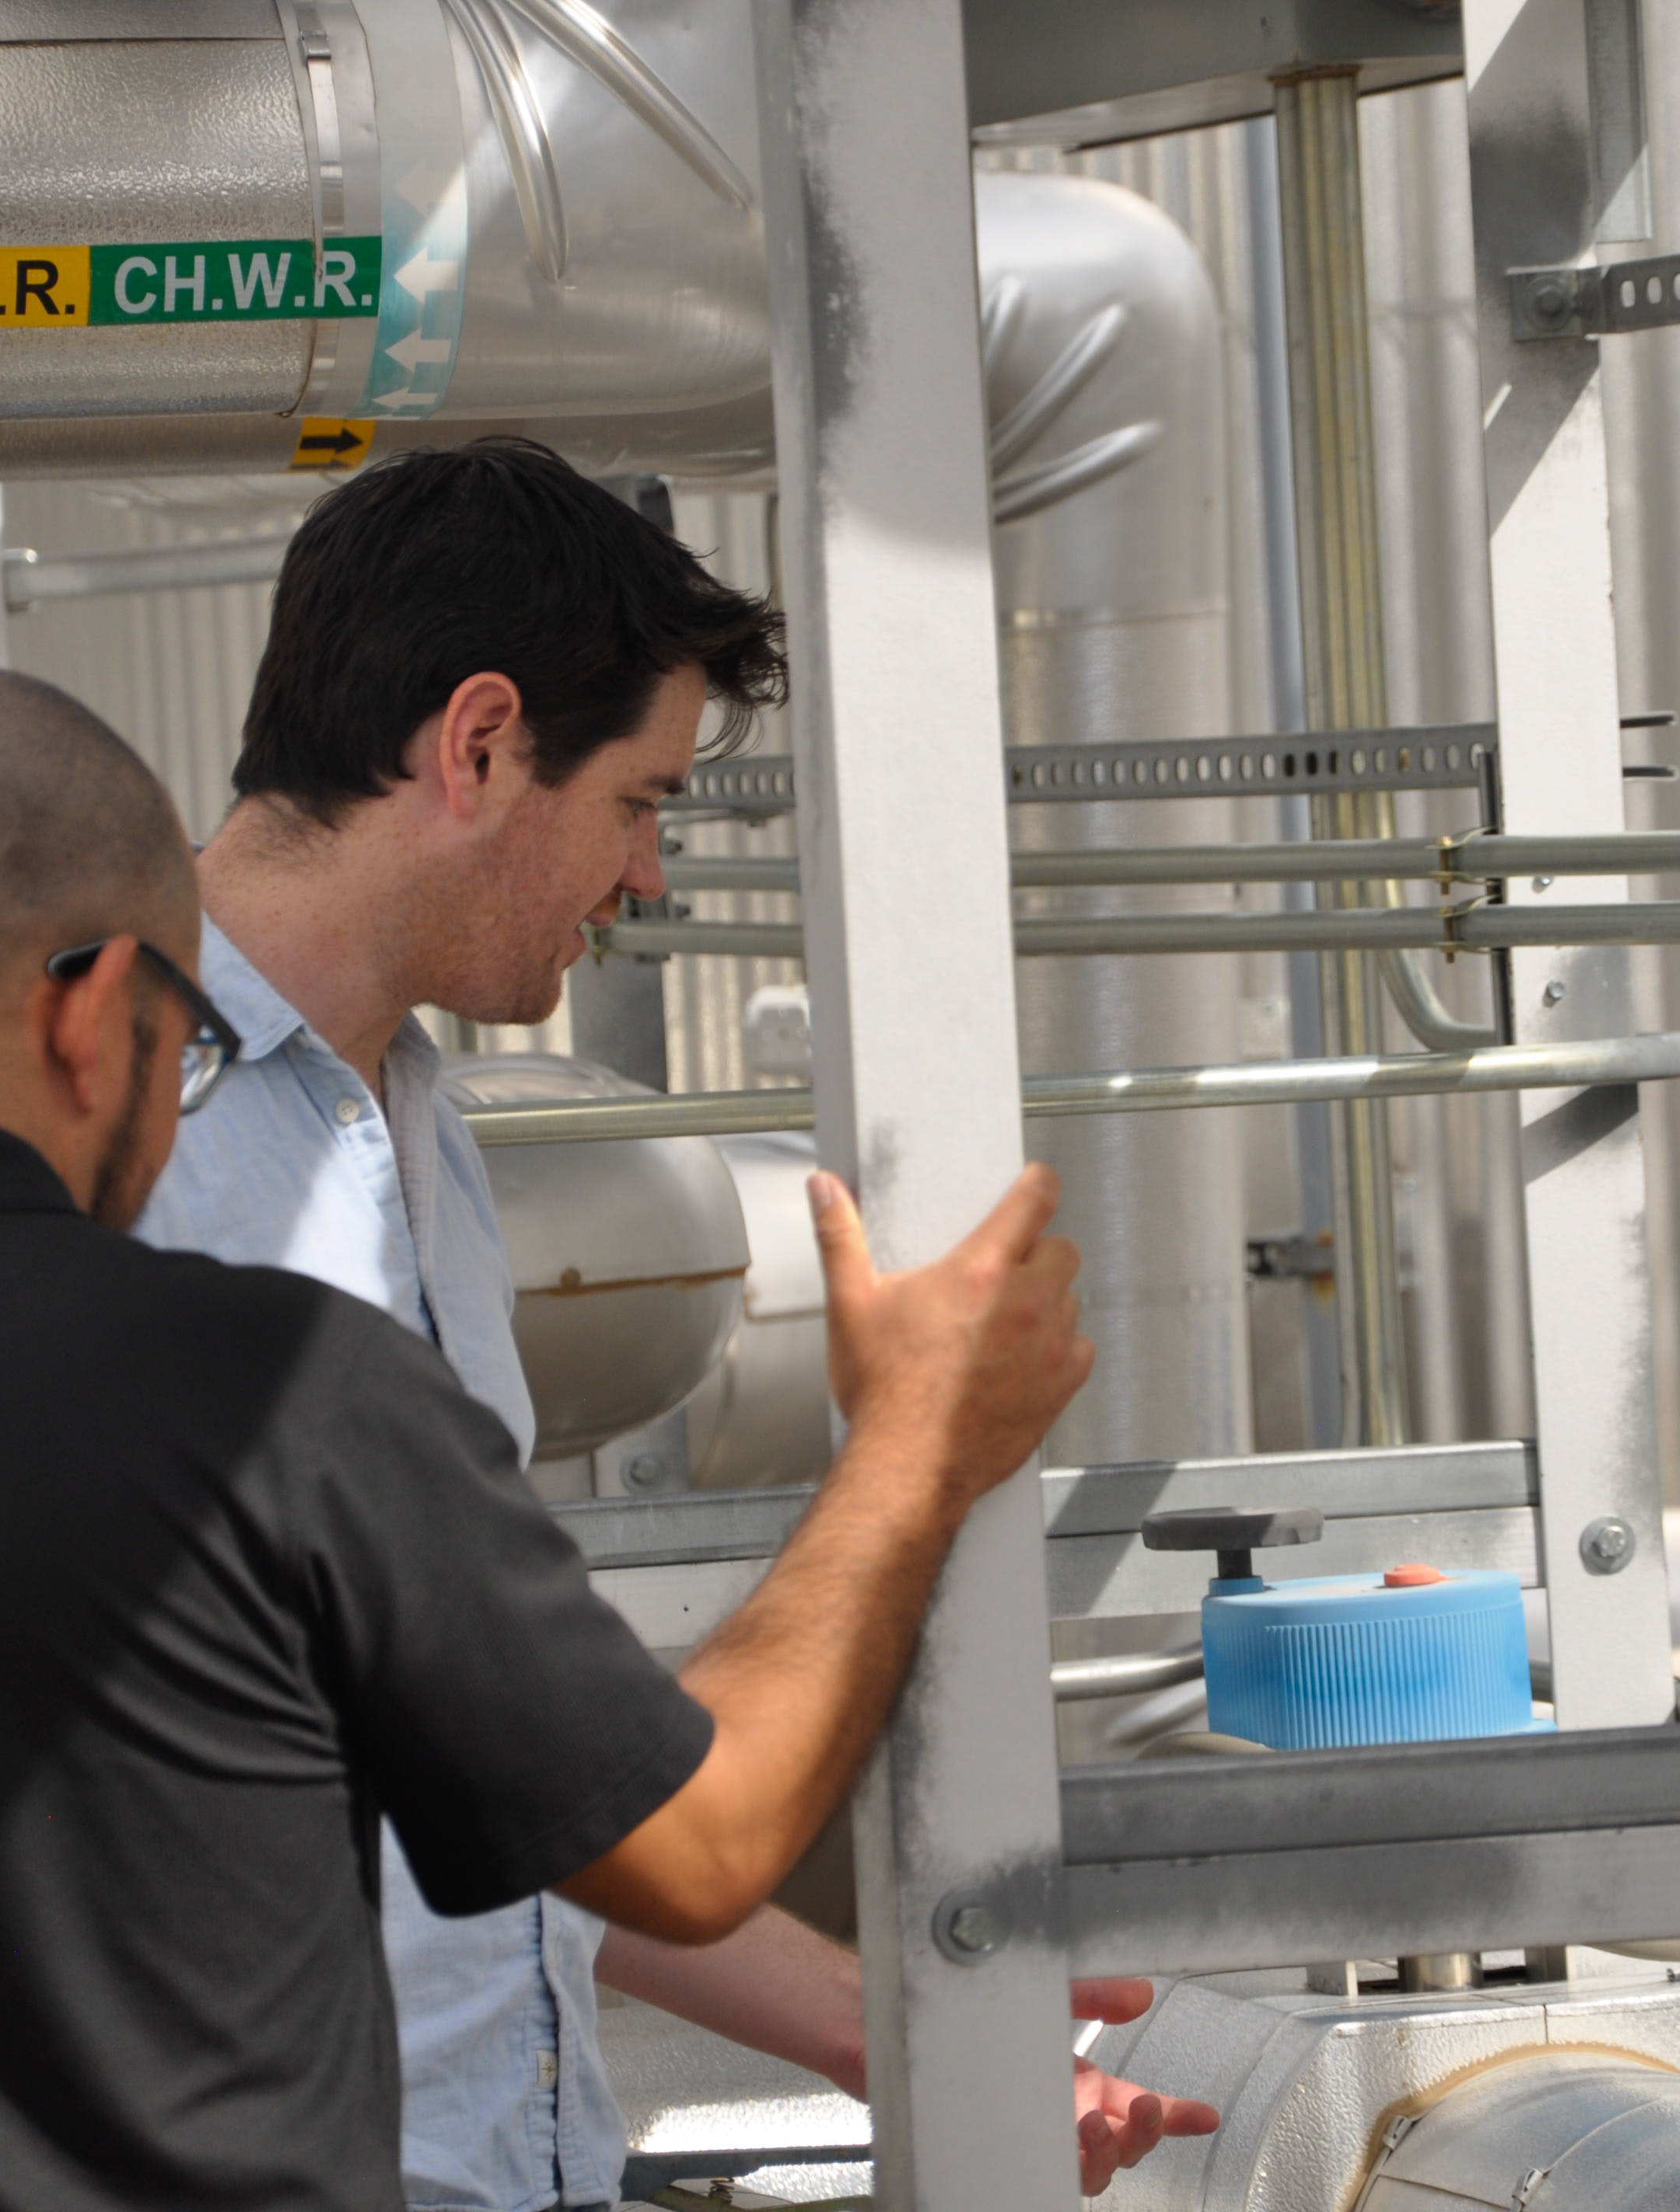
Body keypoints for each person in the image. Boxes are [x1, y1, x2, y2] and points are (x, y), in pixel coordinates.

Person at [0, 671, 1101, 2212]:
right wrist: (913, 1442)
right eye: (192, 1042)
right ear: (94, 1014)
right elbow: (700, 1831)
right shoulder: (277, 1400)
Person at [138, 438, 1215, 2210]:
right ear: (479, 743)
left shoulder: (410, 1121)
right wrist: (914, 1442)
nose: (644, 875)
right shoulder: (119, 1141)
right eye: (638, 798)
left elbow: (509, 1783)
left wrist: (888, 2029)